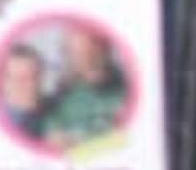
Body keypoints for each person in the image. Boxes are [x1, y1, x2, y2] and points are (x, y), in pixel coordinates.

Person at [45, 22, 134, 151]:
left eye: (95, 49)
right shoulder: (62, 98)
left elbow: (129, 137)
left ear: (103, 48)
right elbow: (53, 134)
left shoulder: (127, 90)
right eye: (70, 51)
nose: (70, 56)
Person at [0, 43, 58, 148]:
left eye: (34, 76)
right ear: (3, 82)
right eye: (20, 79)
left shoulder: (54, 108)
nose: (30, 85)